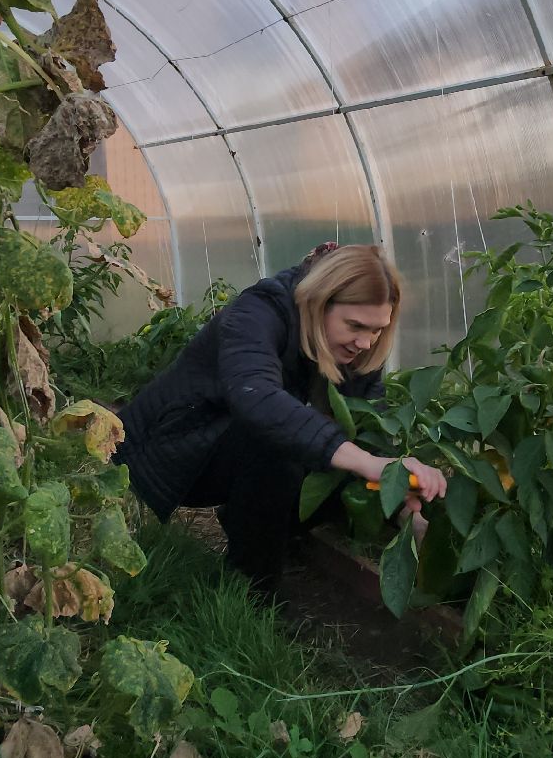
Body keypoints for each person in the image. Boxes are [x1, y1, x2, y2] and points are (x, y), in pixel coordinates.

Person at [116, 242, 448, 590]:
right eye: (355, 325)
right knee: (280, 447)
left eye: (377, 330)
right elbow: (256, 397)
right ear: (320, 302)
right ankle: (252, 593)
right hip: (172, 449)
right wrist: (364, 462)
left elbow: (367, 426)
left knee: (326, 459)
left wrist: (401, 503)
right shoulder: (258, 312)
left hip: (227, 449)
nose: (365, 342)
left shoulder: (353, 349)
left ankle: (253, 523)